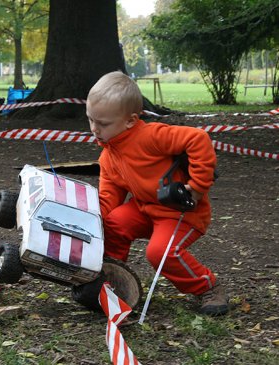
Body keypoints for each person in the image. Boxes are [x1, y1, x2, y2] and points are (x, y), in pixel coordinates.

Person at [86, 71, 228, 315]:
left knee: (160, 252)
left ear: (131, 120)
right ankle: (111, 278)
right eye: (90, 120)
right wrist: (89, 217)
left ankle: (209, 287)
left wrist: (197, 187)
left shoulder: (151, 136)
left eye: (104, 123)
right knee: (114, 222)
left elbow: (198, 139)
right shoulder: (108, 156)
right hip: (146, 208)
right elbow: (109, 199)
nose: (95, 129)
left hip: (181, 211)